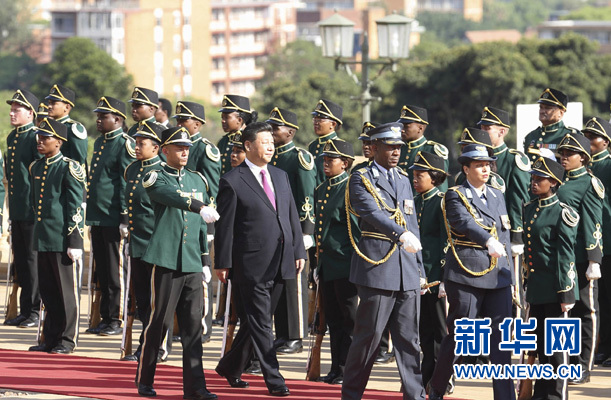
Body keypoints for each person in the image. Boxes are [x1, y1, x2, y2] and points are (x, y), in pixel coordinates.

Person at [214, 122, 306, 396]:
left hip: (282, 258)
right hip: (251, 263)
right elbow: (225, 226)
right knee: (262, 323)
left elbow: (291, 215)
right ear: (248, 146)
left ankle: (230, 367)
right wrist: (223, 262)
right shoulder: (232, 180)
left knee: (258, 320)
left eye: (272, 142)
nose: (270, 146)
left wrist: (298, 250)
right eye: (264, 141)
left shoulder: (280, 175)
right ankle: (275, 380)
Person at [342, 122, 426, 400]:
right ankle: (351, 394)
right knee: (369, 338)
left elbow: (412, 222)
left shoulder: (403, 178)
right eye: (389, 147)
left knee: (409, 341)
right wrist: (401, 234)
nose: (395, 153)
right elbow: (371, 212)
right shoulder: (361, 177)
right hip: (378, 268)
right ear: (374, 147)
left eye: (399, 147)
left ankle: (414, 395)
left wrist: (420, 270)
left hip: (406, 269)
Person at [135, 126, 219, 400]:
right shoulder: (154, 176)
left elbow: (198, 229)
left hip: (192, 262)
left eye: (187, 147)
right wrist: (198, 206)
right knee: (158, 322)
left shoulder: (199, 179)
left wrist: (205, 259)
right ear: (164, 150)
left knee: (193, 326)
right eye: (178, 147)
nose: (184, 151)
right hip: (167, 259)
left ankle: (196, 387)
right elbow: (169, 196)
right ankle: (144, 379)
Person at [428, 144, 515, 400]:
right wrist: (488, 241)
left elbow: (505, 233)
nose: (485, 169)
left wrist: (508, 273)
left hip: (498, 277)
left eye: (487, 164)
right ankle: (437, 389)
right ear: (466, 169)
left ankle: (505, 396)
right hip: (468, 275)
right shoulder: (455, 195)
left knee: (501, 344)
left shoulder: (497, 194)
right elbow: (463, 223)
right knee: (458, 339)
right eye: (478, 165)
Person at [27, 118, 86, 354]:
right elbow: (35, 203)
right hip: (44, 237)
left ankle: (67, 339)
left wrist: (75, 241)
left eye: (46, 138)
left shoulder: (69, 167)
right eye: (39, 137)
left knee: (66, 293)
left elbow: (75, 206)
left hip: (63, 239)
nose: (40, 141)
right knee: (48, 291)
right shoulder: (37, 167)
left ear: (59, 142)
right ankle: (50, 338)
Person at [524, 155, 579, 400]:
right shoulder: (529, 209)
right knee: (539, 345)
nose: (534, 183)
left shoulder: (562, 213)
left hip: (557, 289)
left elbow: (565, 256)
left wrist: (566, 291)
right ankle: (541, 393)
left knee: (557, 349)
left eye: (540, 179)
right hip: (536, 288)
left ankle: (557, 395)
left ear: (554, 183)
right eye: (533, 178)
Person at [555, 132, 604, 385]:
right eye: (561, 153)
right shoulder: (556, 180)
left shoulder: (589, 183)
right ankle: (565, 362)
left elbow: (593, 222)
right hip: (558, 258)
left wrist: (594, 259)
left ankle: (583, 366)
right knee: (563, 312)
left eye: (569, 154)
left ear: (583, 158)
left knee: (585, 310)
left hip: (580, 258)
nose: (563, 157)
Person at [85, 96, 136, 336]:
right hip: (99, 215)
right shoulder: (100, 142)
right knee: (103, 270)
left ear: (117, 119)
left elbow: (127, 182)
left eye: (103, 116)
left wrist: (125, 218)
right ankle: (105, 316)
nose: (98, 120)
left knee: (116, 271)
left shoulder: (124, 143)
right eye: (98, 115)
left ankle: (117, 318)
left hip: (115, 216)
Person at [267, 107, 316, 354]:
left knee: (294, 283)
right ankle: (283, 333)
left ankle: (296, 336)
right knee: (279, 282)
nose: (273, 132)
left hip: (295, 230)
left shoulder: (299, 158)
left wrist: (307, 232)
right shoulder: (271, 157)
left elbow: (307, 195)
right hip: (276, 229)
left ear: (291, 131)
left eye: (277, 128)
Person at [174, 100, 221, 343]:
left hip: (200, 222)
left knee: (201, 276)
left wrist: (209, 227)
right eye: (178, 120)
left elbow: (211, 189)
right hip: (180, 222)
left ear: (198, 124)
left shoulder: (205, 149)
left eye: (185, 120)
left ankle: (202, 328)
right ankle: (180, 326)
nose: (180, 124)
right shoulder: (174, 146)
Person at [315, 139, 359, 385]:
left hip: (345, 263)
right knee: (332, 319)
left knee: (349, 320)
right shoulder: (322, 188)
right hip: (327, 264)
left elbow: (356, 232)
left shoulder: (350, 189)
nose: (326, 163)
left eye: (331, 160)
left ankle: (346, 369)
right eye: (324, 159)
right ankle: (335, 368)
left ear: (345, 163)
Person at [122, 121, 165, 361]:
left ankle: (154, 347)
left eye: (141, 144)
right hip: (137, 243)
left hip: (155, 245)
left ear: (156, 148)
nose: (136, 147)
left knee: (155, 302)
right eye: (136, 143)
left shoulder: (163, 172)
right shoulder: (132, 169)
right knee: (142, 301)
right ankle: (146, 345)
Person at [409, 151, 450, 392]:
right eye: (414, 175)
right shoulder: (414, 201)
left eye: (420, 175)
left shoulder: (442, 201)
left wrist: (443, 277)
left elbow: (447, 241)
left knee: (439, 330)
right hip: (416, 274)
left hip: (435, 276)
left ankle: (442, 376)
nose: (415, 179)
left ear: (433, 177)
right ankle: (427, 375)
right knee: (423, 329)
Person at [4, 89, 41, 328]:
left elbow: (39, 175)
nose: (11, 112)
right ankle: (25, 309)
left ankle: (34, 310)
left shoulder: (35, 136)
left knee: (31, 260)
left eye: (17, 109)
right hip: (17, 208)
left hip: (31, 209)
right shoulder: (12, 137)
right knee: (21, 261)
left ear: (31, 113)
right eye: (12, 108)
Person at [478, 106, 530, 253]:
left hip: (503, 233)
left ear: (502, 132)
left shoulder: (513, 160)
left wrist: (517, 236)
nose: (482, 131)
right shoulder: (475, 159)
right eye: (481, 127)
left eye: (487, 128)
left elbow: (518, 201)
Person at [583, 117, 611, 368]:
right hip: (592, 244)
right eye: (587, 136)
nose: (589, 141)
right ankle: (602, 348)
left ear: (606, 141)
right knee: (598, 300)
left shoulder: (608, 166)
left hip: (609, 241)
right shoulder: (583, 169)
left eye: (594, 137)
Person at [397, 105, 449, 191]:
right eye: (401, 126)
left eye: (406, 126)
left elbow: (440, 186)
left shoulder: (433, 150)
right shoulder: (399, 149)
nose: (402, 130)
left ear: (420, 128)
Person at [523, 88, 572, 163]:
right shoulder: (531, 136)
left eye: (548, 108)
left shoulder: (570, 136)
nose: (542, 111)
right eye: (541, 107)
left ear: (561, 113)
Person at [45, 84, 88, 167]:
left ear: (67, 107)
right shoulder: (47, 127)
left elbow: (78, 162)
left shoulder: (73, 129)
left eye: (54, 103)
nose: (49, 106)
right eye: (49, 103)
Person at [217, 94, 257, 176]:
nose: (223, 121)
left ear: (239, 120)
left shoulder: (251, 140)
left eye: (226, 118)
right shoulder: (223, 142)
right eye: (222, 118)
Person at [309, 99, 343, 186]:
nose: (316, 122)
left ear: (333, 124)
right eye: (315, 118)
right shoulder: (313, 145)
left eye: (320, 119)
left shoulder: (339, 146)